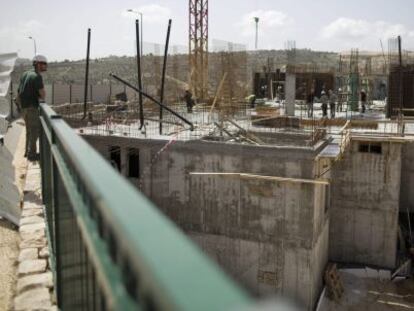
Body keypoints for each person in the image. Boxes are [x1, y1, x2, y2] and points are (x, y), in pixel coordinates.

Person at [17, 55, 47, 161]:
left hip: (23, 108)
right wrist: (40, 96)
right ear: (38, 64)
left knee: (29, 130)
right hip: (32, 107)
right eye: (44, 64)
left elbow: (18, 91)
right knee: (35, 130)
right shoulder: (37, 76)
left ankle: (27, 151)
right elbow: (43, 94)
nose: (45, 66)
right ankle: (32, 154)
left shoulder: (25, 74)